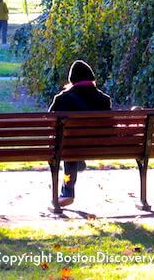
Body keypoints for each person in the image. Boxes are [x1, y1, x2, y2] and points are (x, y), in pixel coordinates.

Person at [48, 60, 112, 207]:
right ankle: (78, 163)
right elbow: (110, 125)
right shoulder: (104, 100)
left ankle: (67, 192)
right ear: (92, 78)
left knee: (67, 147)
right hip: (99, 147)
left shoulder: (62, 99)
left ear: (72, 80)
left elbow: (51, 125)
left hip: (70, 146)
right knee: (72, 148)